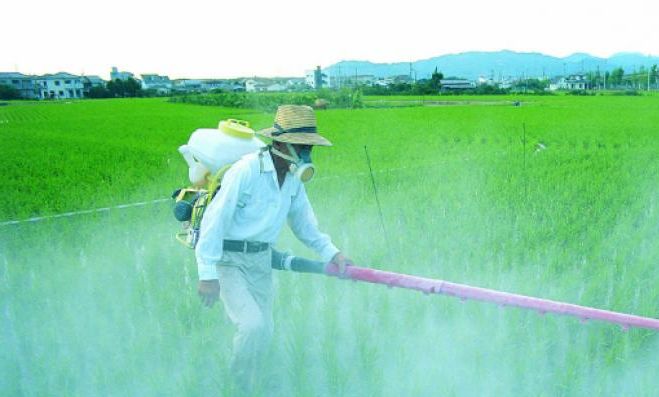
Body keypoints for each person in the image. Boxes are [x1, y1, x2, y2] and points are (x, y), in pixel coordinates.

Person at [195, 105, 353, 392]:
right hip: (228, 260)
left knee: (265, 330)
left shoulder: (293, 180)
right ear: (280, 143)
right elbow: (213, 222)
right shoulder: (246, 171)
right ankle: (237, 382)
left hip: (261, 260)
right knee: (252, 325)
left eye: (309, 149)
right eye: (301, 147)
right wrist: (207, 274)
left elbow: (305, 226)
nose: (306, 155)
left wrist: (333, 253)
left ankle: (256, 380)